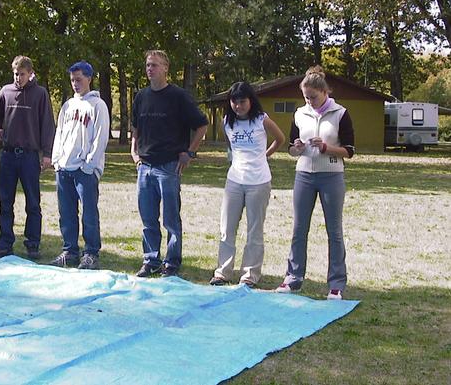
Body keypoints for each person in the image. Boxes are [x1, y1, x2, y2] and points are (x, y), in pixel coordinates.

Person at [276, 65, 355, 300]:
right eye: (306, 97)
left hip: (331, 176)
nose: (309, 101)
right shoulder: (300, 114)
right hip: (304, 175)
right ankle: (293, 278)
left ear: (324, 92)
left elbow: (349, 151)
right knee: (299, 229)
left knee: (334, 231)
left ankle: (336, 284)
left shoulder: (341, 113)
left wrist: (326, 147)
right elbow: (291, 148)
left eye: (313, 97)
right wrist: (297, 147)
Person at [131, 50, 209, 278]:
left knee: (171, 219)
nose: (150, 69)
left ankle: (172, 262)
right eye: (148, 65)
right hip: (145, 167)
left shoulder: (178, 96)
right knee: (148, 218)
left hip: (169, 167)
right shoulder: (141, 97)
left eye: (154, 65)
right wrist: (134, 152)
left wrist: (190, 152)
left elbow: (202, 125)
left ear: (166, 68)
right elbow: (135, 127)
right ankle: (151, 260)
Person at [209, 82, 285, 288]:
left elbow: (280, 138)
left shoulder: (262, 120)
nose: (238, 106)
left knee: (254, 230)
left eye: (242, 101)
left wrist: (265, 155)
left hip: (258, 182)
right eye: (234, 102)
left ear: (251, 101)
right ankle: (223, 272)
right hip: (234, 180)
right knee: (227, 228)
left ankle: (250, 275)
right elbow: (230, 146)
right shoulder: (227, 122)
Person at [0, 55, 56, 260]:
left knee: (33, 203)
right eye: (16, 74)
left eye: (22, 74)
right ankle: (4, 243)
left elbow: (47, 124)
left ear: (30, 73)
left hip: (29, 156)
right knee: (5, 202)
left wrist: (47, 154)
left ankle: (32, 244)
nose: (19, 78)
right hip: (8, 155)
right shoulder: (5, 92)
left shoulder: (40, 94)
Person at [49, 61, 109, 270]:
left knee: (89, 213)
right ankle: (70, 251)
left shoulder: (97, 106)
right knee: (66, 213)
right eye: (72, 80)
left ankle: (91, 253)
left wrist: (89, 165)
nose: (75, 84)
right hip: (64, 168)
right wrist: (57, 160)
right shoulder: (68, 106)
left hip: (84, 170)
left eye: (79, 79)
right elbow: (59, 133)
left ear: (89, 79)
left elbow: (100, 137)